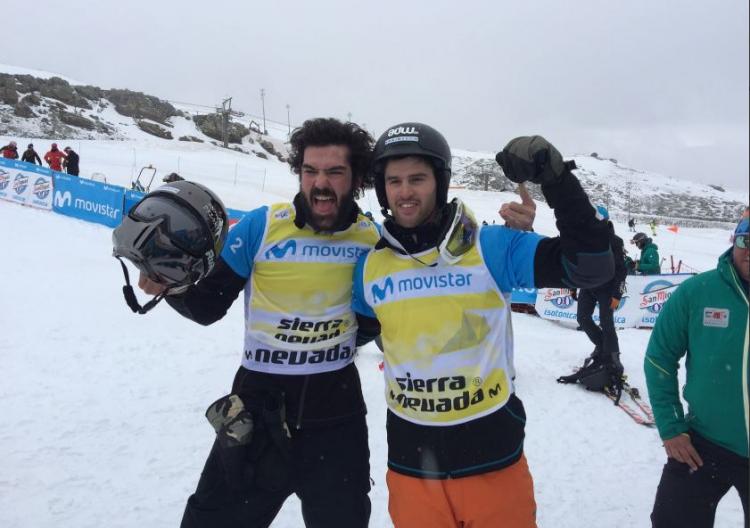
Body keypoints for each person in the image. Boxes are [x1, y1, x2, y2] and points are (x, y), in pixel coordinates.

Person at [352, 124, 613, 528]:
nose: (405, 192)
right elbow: (350, 335)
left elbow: (592, 267)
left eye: (417, 179)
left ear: (440, 182)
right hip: (411, 467)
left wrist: (558, 181)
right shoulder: (369, 266)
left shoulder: (490, 247)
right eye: (394, 181)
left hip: (493, 460)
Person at [137, 118, 380, 528]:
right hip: (258, 405)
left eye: (334, 172)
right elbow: (207, 306)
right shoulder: (261, 226)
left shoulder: (372, 241)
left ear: (355, 179)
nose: (320, 183)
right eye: (310, 171)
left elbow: (373, 324)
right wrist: (168, 286)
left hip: (336, 414)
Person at [644, 217, 748, 528]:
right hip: (707, 442)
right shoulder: (698, 292)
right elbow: (659, 358)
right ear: (734, 241)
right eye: (746, 240)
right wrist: (671, 427)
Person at [557, 205, 627, 395]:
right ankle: (601, 346)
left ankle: (613, 356)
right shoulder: (584, 239)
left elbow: (622, 269)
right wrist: (572, 285)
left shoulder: (615, 241)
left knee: (607, 322)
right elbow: (575, 265)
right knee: (583, 318)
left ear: (604, 221)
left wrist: (617, 294)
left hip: (607, 289)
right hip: (588, 287)